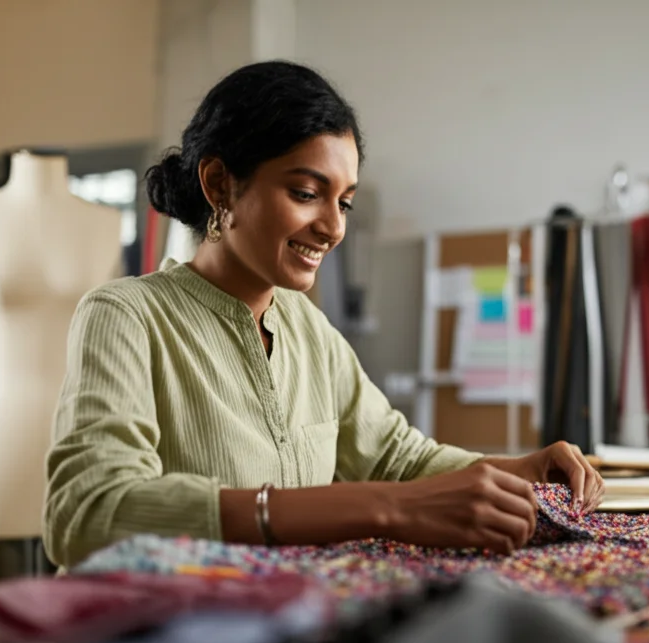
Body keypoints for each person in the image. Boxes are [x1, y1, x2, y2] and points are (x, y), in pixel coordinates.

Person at [42, 60, 605, 569]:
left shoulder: (305, 325)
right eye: (308, 192)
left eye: (345, 202)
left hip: (279, 629)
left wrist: (522, 470)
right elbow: (88, 514)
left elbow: (395, 459)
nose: (334, 227)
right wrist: (380, 508)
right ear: (219, 184)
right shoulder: (127, 316)